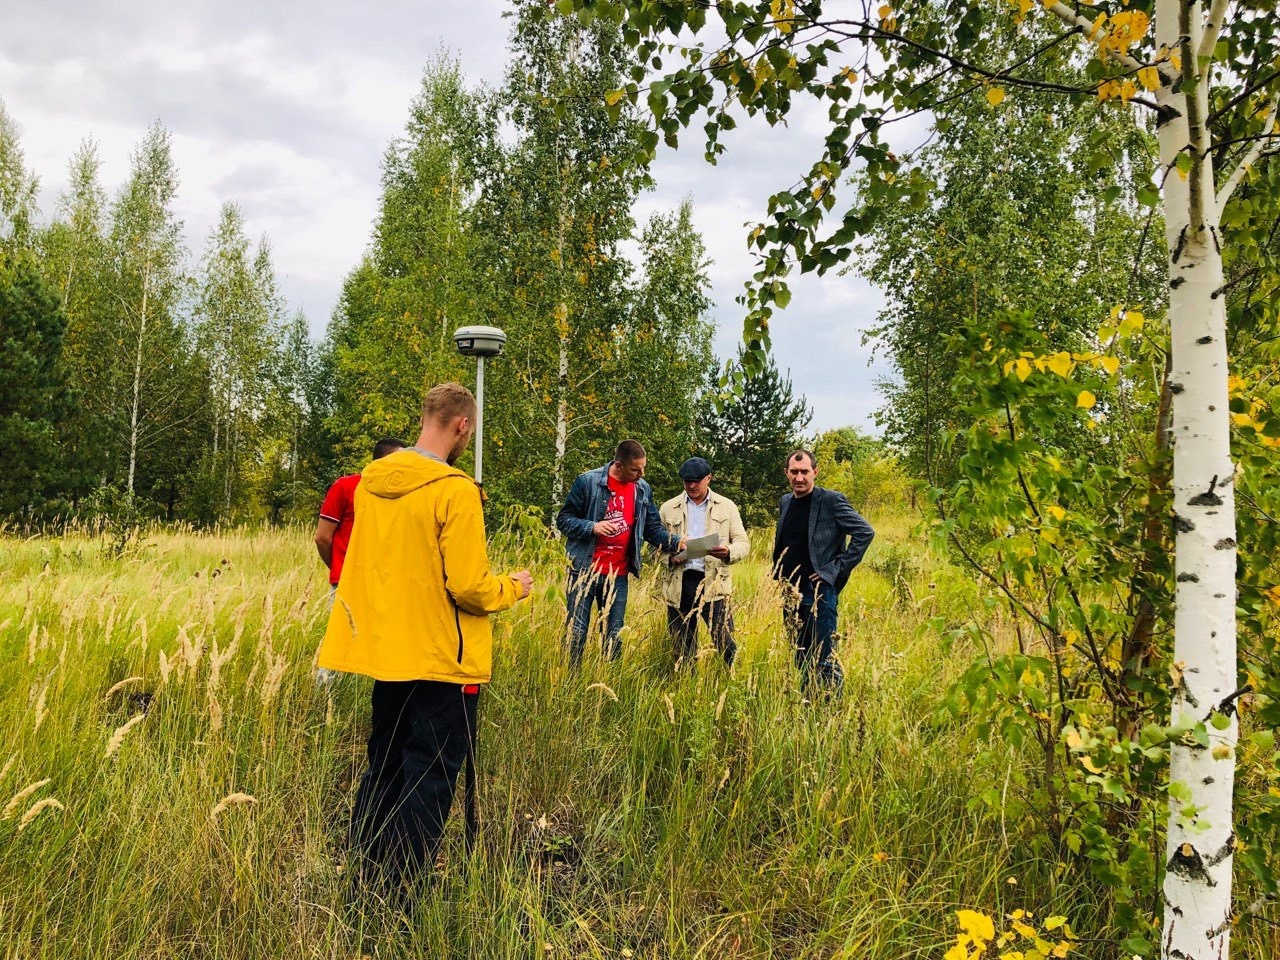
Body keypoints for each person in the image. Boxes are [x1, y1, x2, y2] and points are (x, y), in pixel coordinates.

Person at [317, 382, 533, 896]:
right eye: (470, 431)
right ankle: (400, 897)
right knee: (430, 778)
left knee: (385, 766)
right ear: (462, 426)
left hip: (387, 652)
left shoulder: (369, 483)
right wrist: (514, 587)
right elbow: (468, 587)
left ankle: (364, 879)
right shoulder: (456, 490)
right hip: (442, 660)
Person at [555, 439, 683, 667]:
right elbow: (564, 520)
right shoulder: (588, 482)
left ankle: (610, 681)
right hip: (584, 570)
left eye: (644, 468)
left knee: (614, 634)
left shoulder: (642, 489)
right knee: (576, 632)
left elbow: (652, 529)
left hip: (618, 573)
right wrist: (592, 527)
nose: (641, 474)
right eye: (635, 469)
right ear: (618, 464)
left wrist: (677, 542)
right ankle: (570, 681)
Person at [772, 449, 874, 691]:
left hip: (818, 590)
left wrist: (834, 569)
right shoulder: (786, 501)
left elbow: (865, 532)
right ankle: (808, 700)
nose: (799, 478)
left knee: (825, 654)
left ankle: (832, 711)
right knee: (800, 652)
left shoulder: (831, 500)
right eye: (794, 472)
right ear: (786, 473)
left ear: (815, 472)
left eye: (804, 472)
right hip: (790, 589)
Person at [658, 457, 750, 667]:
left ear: (709, 478)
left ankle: (731, 680)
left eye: (697, 481)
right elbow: (656, 547)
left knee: (726, 644)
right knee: (682, 648)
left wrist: (727, 551)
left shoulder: (727, 507)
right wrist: (669, 558)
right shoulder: (668, 508)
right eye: (687, 481)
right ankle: (685, 688)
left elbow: (743, 542)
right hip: (680, 583)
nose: (691, 486)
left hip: (714, 584)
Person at [314, 436, 406, 589]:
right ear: (380, 462)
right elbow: (322, 537)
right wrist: (341, 569)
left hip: (386, 584)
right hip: (348, 583)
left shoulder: (402, 493)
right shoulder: (346, 486)